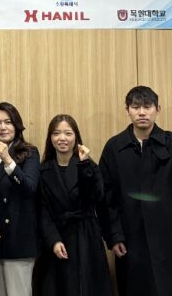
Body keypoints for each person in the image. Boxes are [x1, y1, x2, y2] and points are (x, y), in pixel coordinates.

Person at [98, 85, 172, 296]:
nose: (142, 112)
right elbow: (106, 196)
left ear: (158, 109)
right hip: (133, 237)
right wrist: (114, 235)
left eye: (147, 107)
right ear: (127, 110)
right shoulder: (114, 147)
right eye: (136, 107)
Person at [38, 114, 112, 296]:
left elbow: (97, 196)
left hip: (86, 235)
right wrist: (54, 240)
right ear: (50, 138)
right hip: (57, 235)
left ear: (76, 137)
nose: (62, 138)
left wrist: (84, 165)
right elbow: (42, 210)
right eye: (56, 133)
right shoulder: (44, 170)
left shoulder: (89, 165)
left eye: (68, 133)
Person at [0, 102, 40, 296]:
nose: (2, 127)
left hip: (18, 241)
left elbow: (29, 188)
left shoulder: (29, 153)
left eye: (8, 122)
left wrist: (8, 160)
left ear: (17, 125)